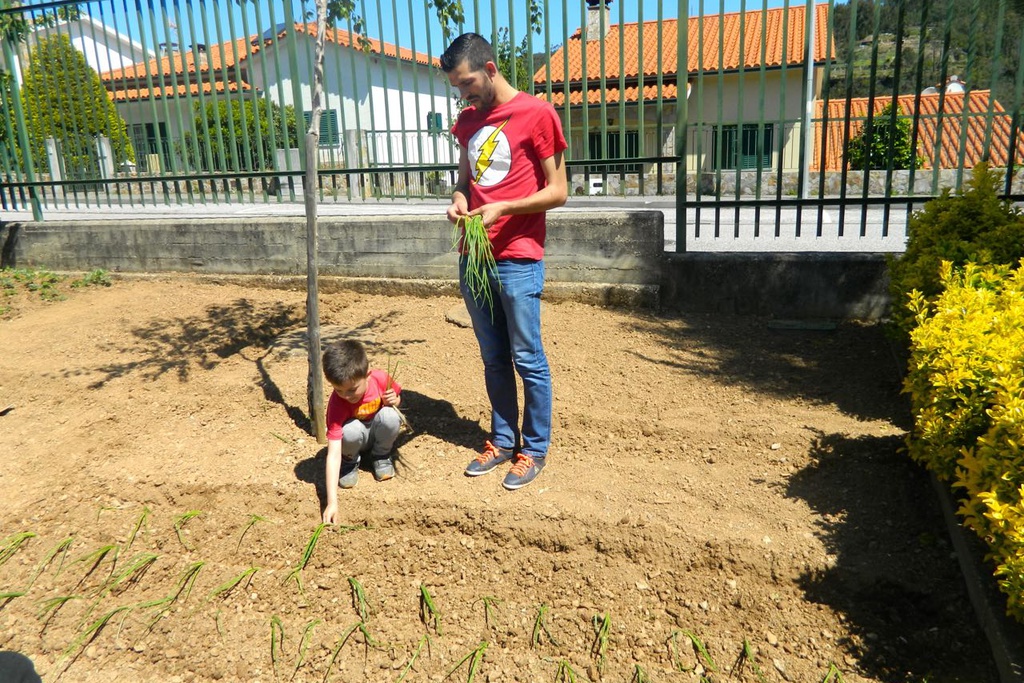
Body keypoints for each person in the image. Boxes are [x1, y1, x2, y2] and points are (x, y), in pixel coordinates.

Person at [440, 32, 568, 491]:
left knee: (527, 358)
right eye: (457, 86)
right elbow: (463, 180)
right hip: (473, 254)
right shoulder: (467, 122)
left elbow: (559, 191)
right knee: (493, 358)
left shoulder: (537, 114)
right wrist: (458, 201)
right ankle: (501, 439)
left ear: (490, 69)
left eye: (468, 82)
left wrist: (504, 208)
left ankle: (532, 450)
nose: (463, 94)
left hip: (517, 257)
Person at [321, 339, 402, 523]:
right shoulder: (336, 404)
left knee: (390, 416)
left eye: (352, 390)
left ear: (367, 375)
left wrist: (395, 401)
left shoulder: (381, 379)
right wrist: (332, 502)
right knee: (350, 430)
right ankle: (350, 463)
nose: (346, 396)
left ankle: (380, 456)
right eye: (339, 390)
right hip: (355, 440)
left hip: (377, 434)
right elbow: (333, 453)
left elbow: (397, 399)